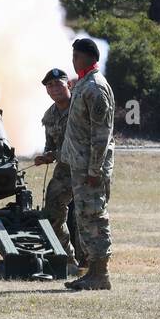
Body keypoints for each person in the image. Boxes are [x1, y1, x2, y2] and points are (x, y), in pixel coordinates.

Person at [61, 38, 115, 291]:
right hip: (80, 165)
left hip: (89, 168)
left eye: (76, 56)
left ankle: (100, 274)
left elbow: (101, 135)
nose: (73, 61)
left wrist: (95, 170)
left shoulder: (95, 88)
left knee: (95, 217)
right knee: (85, 217)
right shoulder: (84, 83)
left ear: (88, 58)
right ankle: (92, 271)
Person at [32, 67, 85, 267]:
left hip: (85, 168)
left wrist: (53, 155)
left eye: (58, 84)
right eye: (50, 86)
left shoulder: (80, 108)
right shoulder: (49, 116)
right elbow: (51, 146)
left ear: (69, 85)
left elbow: (83, 144)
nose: (54, 88)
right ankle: (67, 259)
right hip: (65, 171)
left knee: (84, 215)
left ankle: (88, 262)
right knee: (52, 213)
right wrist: (45, 156)